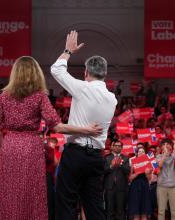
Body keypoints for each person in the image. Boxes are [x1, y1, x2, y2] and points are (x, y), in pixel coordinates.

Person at [0, 55, 103, 220]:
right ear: (36, 73)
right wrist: (86, 130)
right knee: (31, 194)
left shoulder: (4, 96)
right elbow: (57, 126)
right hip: (31, 147)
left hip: (9, 148)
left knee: (9, 193)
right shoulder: (39, 96)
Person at [51, 30, 117, 220]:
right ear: (105, 74)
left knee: (66, 203)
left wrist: (68, 51)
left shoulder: (82, 88)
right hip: (97, 157)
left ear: (86, 72)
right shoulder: (112, 99)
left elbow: (56, 70)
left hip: (75, 155)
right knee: (95, 206)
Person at [104, 140, 131, 220]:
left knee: (120, 210)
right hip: (109, 187)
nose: (117, 147)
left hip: (121, 188)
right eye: (115, 145)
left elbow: (128, 171)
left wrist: (120, 165)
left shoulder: (126, 158)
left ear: (122, 148)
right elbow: (103, 170)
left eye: (119, 146)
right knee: (109, 210)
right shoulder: (106, 157)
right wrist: (111, 166)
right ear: (112, 147)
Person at [156, 139, 175, 220]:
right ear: (161, 147)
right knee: (161, 211)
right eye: (164, 144)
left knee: (174, 211)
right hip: (161, 187)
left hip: (174, 187)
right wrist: (164, 155)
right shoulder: (158, 156)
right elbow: (159, 165)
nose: (166, 146)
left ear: (171, 146)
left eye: (168, 144)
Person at [128, 145, 153, 220]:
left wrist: (147, 173)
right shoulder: (133, 163)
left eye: (143, 151)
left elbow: (149, 179)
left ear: (145, 153)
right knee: (136, 212)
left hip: (144, 186)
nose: (141, 153)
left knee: (144, 212)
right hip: (135, 187)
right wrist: (137, 172)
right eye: (139, 151)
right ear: (137, 153)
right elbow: (130, 178)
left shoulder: (148, 164)